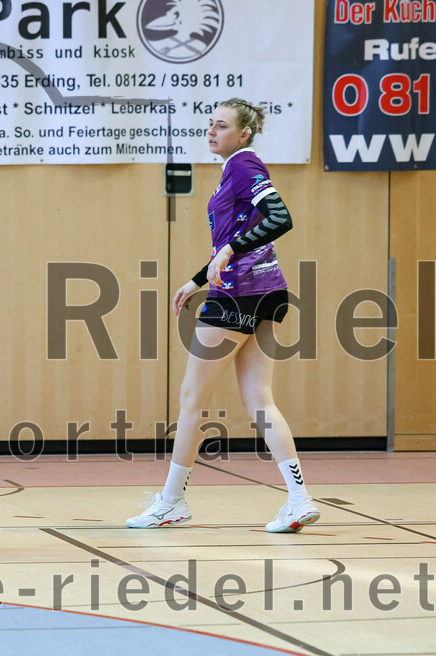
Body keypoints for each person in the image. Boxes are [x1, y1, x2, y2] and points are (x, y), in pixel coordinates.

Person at [127, 99, 320, 533]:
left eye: (221, 125)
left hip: (238, 296)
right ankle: (299, 498)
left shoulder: (243, 165)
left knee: (192, 397)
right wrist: (197, 279)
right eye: (209, 123)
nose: (211, 131)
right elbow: (234, 238)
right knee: (260, 400)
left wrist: (230, 252)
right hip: (268, 291)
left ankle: (171, 502)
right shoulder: (237, 169)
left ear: (245, 132)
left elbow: (280, 218)